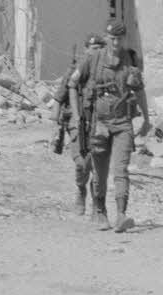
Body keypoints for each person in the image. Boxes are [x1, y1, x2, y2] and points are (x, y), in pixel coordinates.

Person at [70, 20, 149, 231]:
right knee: (99, 171)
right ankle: (100, 211)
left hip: (123, 122)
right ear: (106, 38)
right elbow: (72, 83)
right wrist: (77, 116)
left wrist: (147, 119)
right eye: (112, 38)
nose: (115, 42)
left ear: (124, 39)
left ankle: (121, 214)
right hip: (99, 123)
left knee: (121, 169)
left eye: (119, 39)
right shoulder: (93, 58)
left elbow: (139, 91)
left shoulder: (130, 58)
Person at [51, 34, 105, 214]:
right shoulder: (75, 71)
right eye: (92, 49)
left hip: (98, 123)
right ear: (86, 49)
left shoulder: (105, 71)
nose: (95, 53)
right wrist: (55, 129)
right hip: (76, 123)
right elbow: (58, 99)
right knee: (82, 163)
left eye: (99, 49)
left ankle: (97, 203)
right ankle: (81, 189)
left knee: (98, 165)